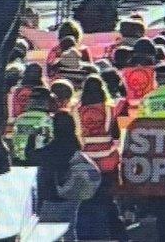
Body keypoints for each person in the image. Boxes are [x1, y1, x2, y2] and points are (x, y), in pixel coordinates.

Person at [74, 75, 125, 240]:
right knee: (107, 199)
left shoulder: (76, 110)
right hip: (108, 161)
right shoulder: (110, 109)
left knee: (88, 200)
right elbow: (116, 135)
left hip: (86, 162)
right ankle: (115, 233)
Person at [28, 112, 83, 239]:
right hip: (72, 196)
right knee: (70, 231)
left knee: (48, 233)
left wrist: (32, 138)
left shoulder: (52, 149)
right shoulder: (74, 146)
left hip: (51, 197)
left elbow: (31, 156)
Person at [11, 86, 54, 165]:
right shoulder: (48, 119)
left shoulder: (20, 118)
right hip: (39, 162)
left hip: (18, 161)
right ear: (47, 102)